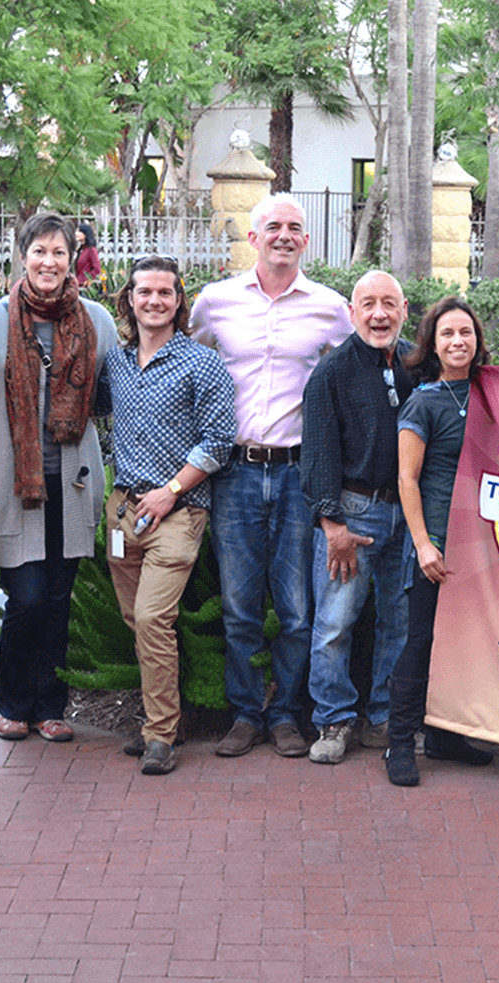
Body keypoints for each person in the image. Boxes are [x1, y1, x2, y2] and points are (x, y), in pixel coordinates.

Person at [191, 193, 353, 758]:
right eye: (273, 226)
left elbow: (359, 368)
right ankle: (244, 714)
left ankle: (284, 713)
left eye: (295, 228)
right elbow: (187, 365)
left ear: (306, 241)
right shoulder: (215, 303)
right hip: (233, 472)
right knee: (239, 604)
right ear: (254, 237)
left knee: (296, 608)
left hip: (298, 476)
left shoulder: (331, 308)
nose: (284, 235)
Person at [0, 212, 118, 743]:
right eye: (39, 251)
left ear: (72, 258)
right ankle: (14, 703)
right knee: (28, 598)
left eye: (59, 252)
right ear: (21, 256)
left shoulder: (96, 322)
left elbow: (116, 396)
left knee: (58, 600)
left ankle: (49, 706)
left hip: (74, 482)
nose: (48, 261)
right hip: (14, 484)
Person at [103, 256, 237, 776]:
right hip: (123, 510)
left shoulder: (200, 363)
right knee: (136, 620)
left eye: (165, 292)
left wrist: (170, 491)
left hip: (179, 512)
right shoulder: (115, 362)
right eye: (144, 292)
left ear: (180, 301)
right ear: (129, 299)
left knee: (155, 617)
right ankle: (167, 719)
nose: (154, 301)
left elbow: (218, 441)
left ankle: (159, 735)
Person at [300, 271, 414, 764]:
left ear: (405, 310)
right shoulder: (331, 373)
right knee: (333, 624)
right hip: (353, 514)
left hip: (408, 517)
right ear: (351, 313)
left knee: (399, 621)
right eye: (368, 304)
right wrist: (332, 525)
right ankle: (333, 720)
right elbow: (318, 453)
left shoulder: (416, 363)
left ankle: (384, 715)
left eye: (389, 303)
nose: (379, 314)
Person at [384, 297, 498, 785]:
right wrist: (424, 543)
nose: (458, 342)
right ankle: (399, 744)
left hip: (483, 545)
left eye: (466, 333)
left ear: (477, 341)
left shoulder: (495, 395)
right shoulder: (424, 401)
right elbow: (407, 479)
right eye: (448, 334)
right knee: (422, 640)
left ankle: (445, 736)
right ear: (432, 343)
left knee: (465, 644)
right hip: (435, 545)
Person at [75, 222, 102, 288]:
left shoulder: (91, 250)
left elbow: (97, 269)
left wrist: (85, 279)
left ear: (85, 234)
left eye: (79, 231)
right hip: (78, 285)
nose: (76, 233)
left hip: (86, 287)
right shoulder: (81, 249)